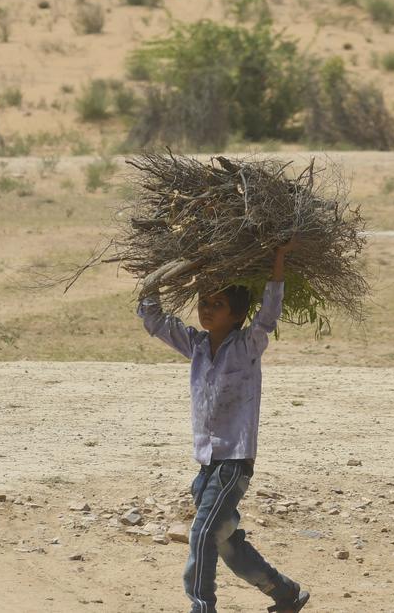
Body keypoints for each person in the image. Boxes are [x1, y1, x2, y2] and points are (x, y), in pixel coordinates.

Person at [137, 240, 310, 613]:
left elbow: (269, 314)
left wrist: (278, 259)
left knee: (202, 534)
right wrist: (166, 273)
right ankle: (285, 594)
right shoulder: (196, 346)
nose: (207, 310)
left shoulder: (248, 345)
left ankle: (202, 606)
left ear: (237, 314)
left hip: (233, 463)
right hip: (206, 464)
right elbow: (153, 319)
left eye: (218, 305)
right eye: (204, 303)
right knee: (226, 540)